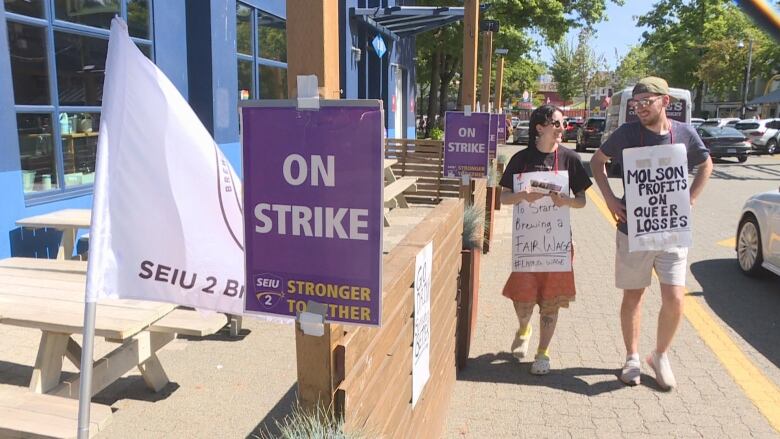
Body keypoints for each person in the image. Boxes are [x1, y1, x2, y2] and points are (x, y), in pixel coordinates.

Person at [590, 77, 713, 389]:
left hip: (672, 230)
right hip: (634, 229)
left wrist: (692, 199)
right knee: (634, 295)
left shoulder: (684, 133)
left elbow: (706, 163)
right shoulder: (627, 133)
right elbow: (597, 161)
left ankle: (659, 355)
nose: (641, 107)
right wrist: (609, 198)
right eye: (636, 102)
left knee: (675, 297)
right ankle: (632, 357)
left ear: (665, 102)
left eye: (647, 101)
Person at [499, 105, 592, 375]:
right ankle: (524, 327)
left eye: (563, 124)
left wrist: (567, 201)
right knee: (523, 299)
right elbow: (503, 197)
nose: (563, 129)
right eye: (558, 124)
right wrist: (521, 196)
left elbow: (583, 201)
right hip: (527, 243)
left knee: (551, 300)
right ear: (540, 127)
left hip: (557, 245)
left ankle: (543, 353)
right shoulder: (520, 160)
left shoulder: (570, 159)